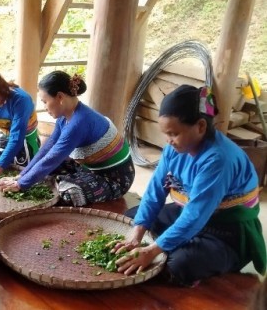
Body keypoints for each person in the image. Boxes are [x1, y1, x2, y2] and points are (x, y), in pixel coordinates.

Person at [113, 84, 266, 287]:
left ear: (201, 126)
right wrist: (138, 232)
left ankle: (219, 256)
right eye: (166, 134)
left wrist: (152, 250)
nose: (169, 141)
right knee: (131, 220)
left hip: (226, 230)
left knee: (179, 264)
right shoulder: (174, 149)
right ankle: (168, 242)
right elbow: (155, 191)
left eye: (174, 134)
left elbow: (196, 215)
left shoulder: (218, 159)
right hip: (187, 212)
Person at [0, 70, 135, 207]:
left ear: (60, 97)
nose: (44, 107)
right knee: (43, 170)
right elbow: (48, 149)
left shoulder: (79, 122)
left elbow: (53, 157)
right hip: (87, 168)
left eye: (45, 101)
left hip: (114, 178)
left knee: (69, 192)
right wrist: (21, 176)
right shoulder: (64, 118)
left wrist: (20, 185)